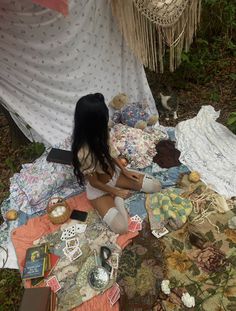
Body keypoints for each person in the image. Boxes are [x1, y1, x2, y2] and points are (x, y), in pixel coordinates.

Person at [72, 93, 161, 234]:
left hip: (115, 175)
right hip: (99, 189)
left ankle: (119, 194)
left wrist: (125, 171)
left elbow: (112, 153)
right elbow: (94, 183)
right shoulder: (83, 153)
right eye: (103, 118)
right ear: (93, 122)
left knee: (156, 186)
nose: (106, 120)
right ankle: (118, 198)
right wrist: (117, 192)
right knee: (122, 228)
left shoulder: (102, 132)